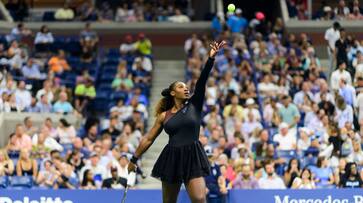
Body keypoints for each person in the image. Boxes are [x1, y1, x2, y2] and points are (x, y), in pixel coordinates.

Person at [128, 41, 226, 203]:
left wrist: (210, 59)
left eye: (186, 87)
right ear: (173, 92)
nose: (186, 88)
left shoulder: (194, 105)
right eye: (181, 87)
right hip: (171, 157)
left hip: (192, 155)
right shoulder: (163, 116)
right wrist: (133, 159)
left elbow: (201, 81)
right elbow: (148, 139)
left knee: (200, 199)